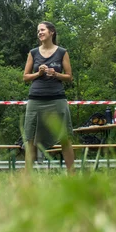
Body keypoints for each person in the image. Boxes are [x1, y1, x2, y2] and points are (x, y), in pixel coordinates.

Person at [22, 22, 75, 174]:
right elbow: (25, 77)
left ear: (51, 32)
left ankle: (73, 175)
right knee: (30, 138)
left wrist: (56, 74)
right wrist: (38, 74)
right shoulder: (33, 53)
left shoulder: (62, 52)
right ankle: (27, 176)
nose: (39, 33)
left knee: (64, 138)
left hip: (57, 99)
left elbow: (69, 77)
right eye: (38, 31)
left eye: (42, 30)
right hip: (35, 100)